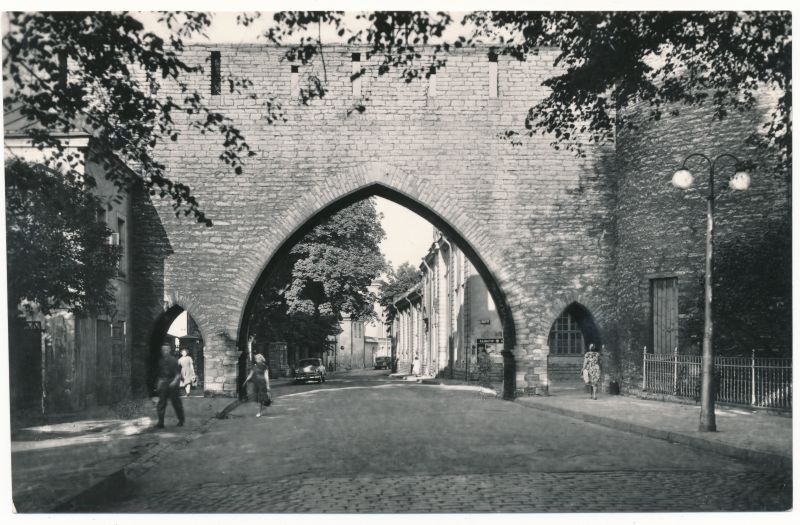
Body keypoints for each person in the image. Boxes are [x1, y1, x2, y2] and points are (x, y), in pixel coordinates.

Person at [156, 343, 185, 428]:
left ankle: (181, 420)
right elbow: (158, 374)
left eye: (166, 350)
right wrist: (159, 382)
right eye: (163, 350)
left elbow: (178, 374)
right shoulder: (160, 361)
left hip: (173, 383)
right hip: (163, 383)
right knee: (161, 403)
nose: (165, 351)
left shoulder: (174, 360)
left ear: (169, 350)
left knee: (176, 403)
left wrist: (174, 381)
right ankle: (160, 423)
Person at [242, 353, 272, 417]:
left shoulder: (265, 366)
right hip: (255, 384)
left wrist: (268, 385)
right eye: (256, 359)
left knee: (260, 399)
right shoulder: (254, 366)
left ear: (261, 359)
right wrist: (245, 381)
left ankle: (259, 412)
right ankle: (262, 408)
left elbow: (266, 376)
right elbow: (250, 374)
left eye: (258, 358)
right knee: (257, 398)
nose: (257, 360)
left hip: (262, 383)